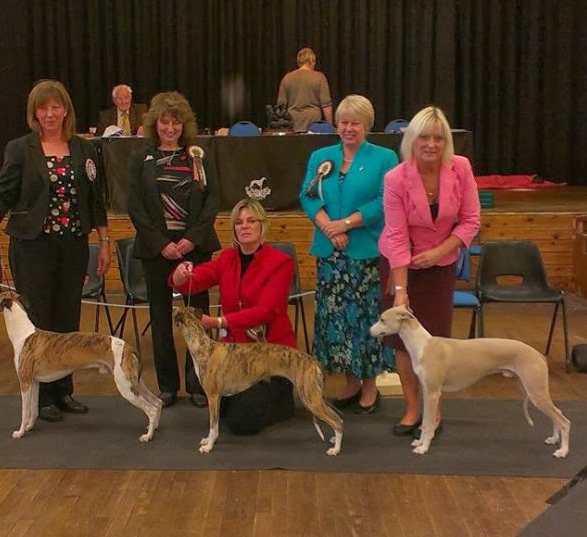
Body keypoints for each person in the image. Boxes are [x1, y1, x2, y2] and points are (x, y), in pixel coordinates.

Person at [0, 79, 111, 422]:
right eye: (43, 108)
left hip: (73, 244)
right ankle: (41, 398)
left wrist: (104, 243)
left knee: (67, 319)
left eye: (56, 107)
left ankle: (63, 390)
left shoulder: (84, 149)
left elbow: (96, 201)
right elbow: (3, 190)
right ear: (34, 113)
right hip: (32, 245)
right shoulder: (20, 148)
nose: (50, 114)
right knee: (38, 319)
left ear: (66, 110)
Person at [379, 106, 480, 438]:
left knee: (435, 341)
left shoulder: (460, 168)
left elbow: (471, 221)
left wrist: (437, 252)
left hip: (439, 264)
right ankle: (411, 410)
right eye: (424, 137)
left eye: (439, 138)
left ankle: (433, 413)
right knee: (402, 341)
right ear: (412, 139)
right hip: (399, 265)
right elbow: (396, 235)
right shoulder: (395, 178)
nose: (431, 144)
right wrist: (400, 290)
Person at [299, 95, 398, 414]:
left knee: (366, 321)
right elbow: (307, 195)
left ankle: (369, 386)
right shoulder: (320, 156)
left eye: (355, 122)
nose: (348, 128)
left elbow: (384, 201)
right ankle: (350, 383)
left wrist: (346, 223)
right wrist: (329, 227)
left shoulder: (384, 158)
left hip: (365, 255)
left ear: (367, 124)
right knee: (336, 321)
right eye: (343, 122)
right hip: (330, 257)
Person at [170, 198, 296, 435]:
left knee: (241, 423)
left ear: (262, 225)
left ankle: (282, 400)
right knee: (201, 384)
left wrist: (218, 322)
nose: (244, 226)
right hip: (234, 353)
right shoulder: (227, 258)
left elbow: (266, 310)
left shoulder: (280, 262)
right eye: (239, 222)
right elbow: (194, 280)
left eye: (251, 221)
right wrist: (179, 276)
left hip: (268, 354)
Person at [126, 91, 220, 408]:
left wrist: (192, 238)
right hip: (156, 252)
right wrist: (161, 243)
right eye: (164, 122)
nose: (170, 128)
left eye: (176, 122)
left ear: (184, 124)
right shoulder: (140, 158)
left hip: (195, 249)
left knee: (197, 317)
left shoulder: (198, 156)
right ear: (155, 123)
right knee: (160, 317)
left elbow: (212, 201)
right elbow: (134, 206)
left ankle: (198, 384)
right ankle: (167, 386)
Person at [276, 47, 333, 132]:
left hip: (293, 124)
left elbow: (280, 107)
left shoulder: (287, 78)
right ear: (311, 60)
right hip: (313, 125)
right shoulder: (319, 77)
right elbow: (326, 106)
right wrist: (330, 127)